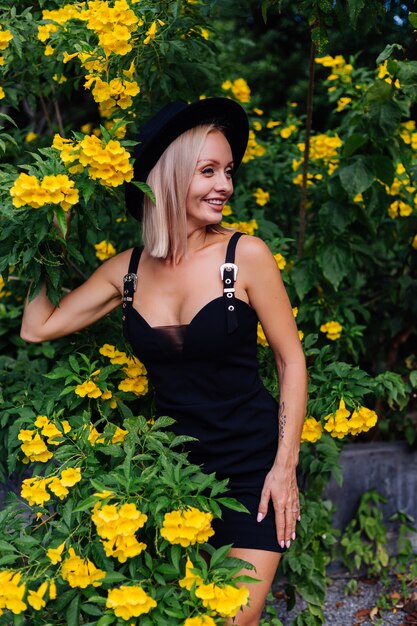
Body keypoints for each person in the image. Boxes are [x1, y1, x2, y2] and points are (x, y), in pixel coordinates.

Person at [21, 97, 307, 626]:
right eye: (208, 171)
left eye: (228, 171)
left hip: (253, 469)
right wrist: (46, 233)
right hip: (171, 476)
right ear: (170, 177)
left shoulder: (244, 257)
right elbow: (37, 326)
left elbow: (291, 361)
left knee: (232, 618)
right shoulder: (127, 271)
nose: (225, 185)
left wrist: (284, 468)